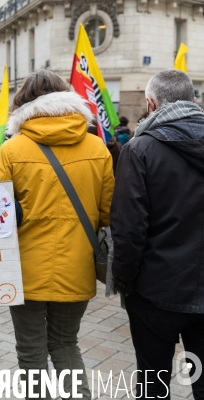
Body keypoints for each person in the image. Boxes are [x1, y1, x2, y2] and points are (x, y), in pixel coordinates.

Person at [0, 70, 114, 399]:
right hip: (77, 266)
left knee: (31, 353)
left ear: (23, 103)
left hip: (25, 270)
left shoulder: (11, 150)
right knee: (65, 344)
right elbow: (107, 213)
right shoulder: (97, 147)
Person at [112, 69, 204, 399]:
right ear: (194, 101)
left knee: (153, 383)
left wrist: (124, 283)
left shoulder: (140, 150)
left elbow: (128, 229)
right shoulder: (140, 149)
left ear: (151, 104)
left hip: (155, 293)